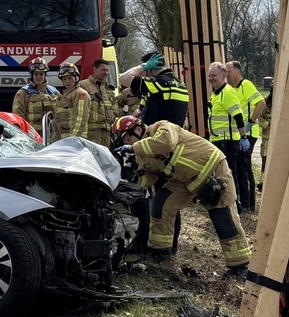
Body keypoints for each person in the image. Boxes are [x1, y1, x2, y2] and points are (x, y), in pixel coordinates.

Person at [113, 115, 251, 272]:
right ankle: (160, 251)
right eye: (124, 143)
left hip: (213, 170)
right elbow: (149, 177)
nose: (126, 144)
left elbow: (166, 142)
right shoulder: (142, 155)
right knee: (162, 205)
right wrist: (131, 181)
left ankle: (239, 265)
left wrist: (133, 148)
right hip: (185, 180)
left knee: (223, 216)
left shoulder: (161, 126)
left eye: (127, 139)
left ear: (137, 129)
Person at [225, 60, 268, 213]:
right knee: (238, 166)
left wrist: (250, 121)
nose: (227, 75)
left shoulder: (246, 85)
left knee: (244, 166)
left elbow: (261, 103)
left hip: (248, 133)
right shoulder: (229, 89)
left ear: (238, 71)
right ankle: (242, 202)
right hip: (237, 134)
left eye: (229, 71)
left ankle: (249, 204)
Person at [206, 62, 250, 207]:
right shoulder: (216, 93)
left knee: (229, 173)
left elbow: (238, 117)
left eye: (214, 75)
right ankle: (225, 201)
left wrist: (243, 137)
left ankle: (234, 204)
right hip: (217, 140)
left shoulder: (227, 92)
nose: (211, 78)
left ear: (224, 76)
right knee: (220, 173)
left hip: (228, 141)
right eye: (209, 75)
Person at [118, 51, 189, 126]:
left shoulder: (157, 83)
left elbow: (123, 78)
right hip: (175, 133)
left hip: (158, 134)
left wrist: (145, 65)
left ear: (150, 68)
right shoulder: (181, 84)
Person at [77, 58, 116, 146]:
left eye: (107, 70)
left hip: (107, 132)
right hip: (92, 132)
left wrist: (114, 115)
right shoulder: (83, 85)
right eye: (103, 70)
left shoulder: (107, 88)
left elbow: (114, 104)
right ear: (94, 69)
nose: (106, 73)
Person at [12, 57, 59, 127]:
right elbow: (18, 116)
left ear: (45, 75)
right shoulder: (23, 92)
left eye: (41, 74)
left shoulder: (54, 92)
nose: (38, 77)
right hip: (32, 135)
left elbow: (60, 114)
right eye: (36, 74)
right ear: (32, 75)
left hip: (51, 134)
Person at [54, 62, 90, 139]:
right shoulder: (63, 95)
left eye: (70, 78)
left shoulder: (80, 94)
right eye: (64, 79)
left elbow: (80, 118)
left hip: (73, 139)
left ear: (76, 78)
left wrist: (73, 138)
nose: (67, 81)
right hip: (63, 138)